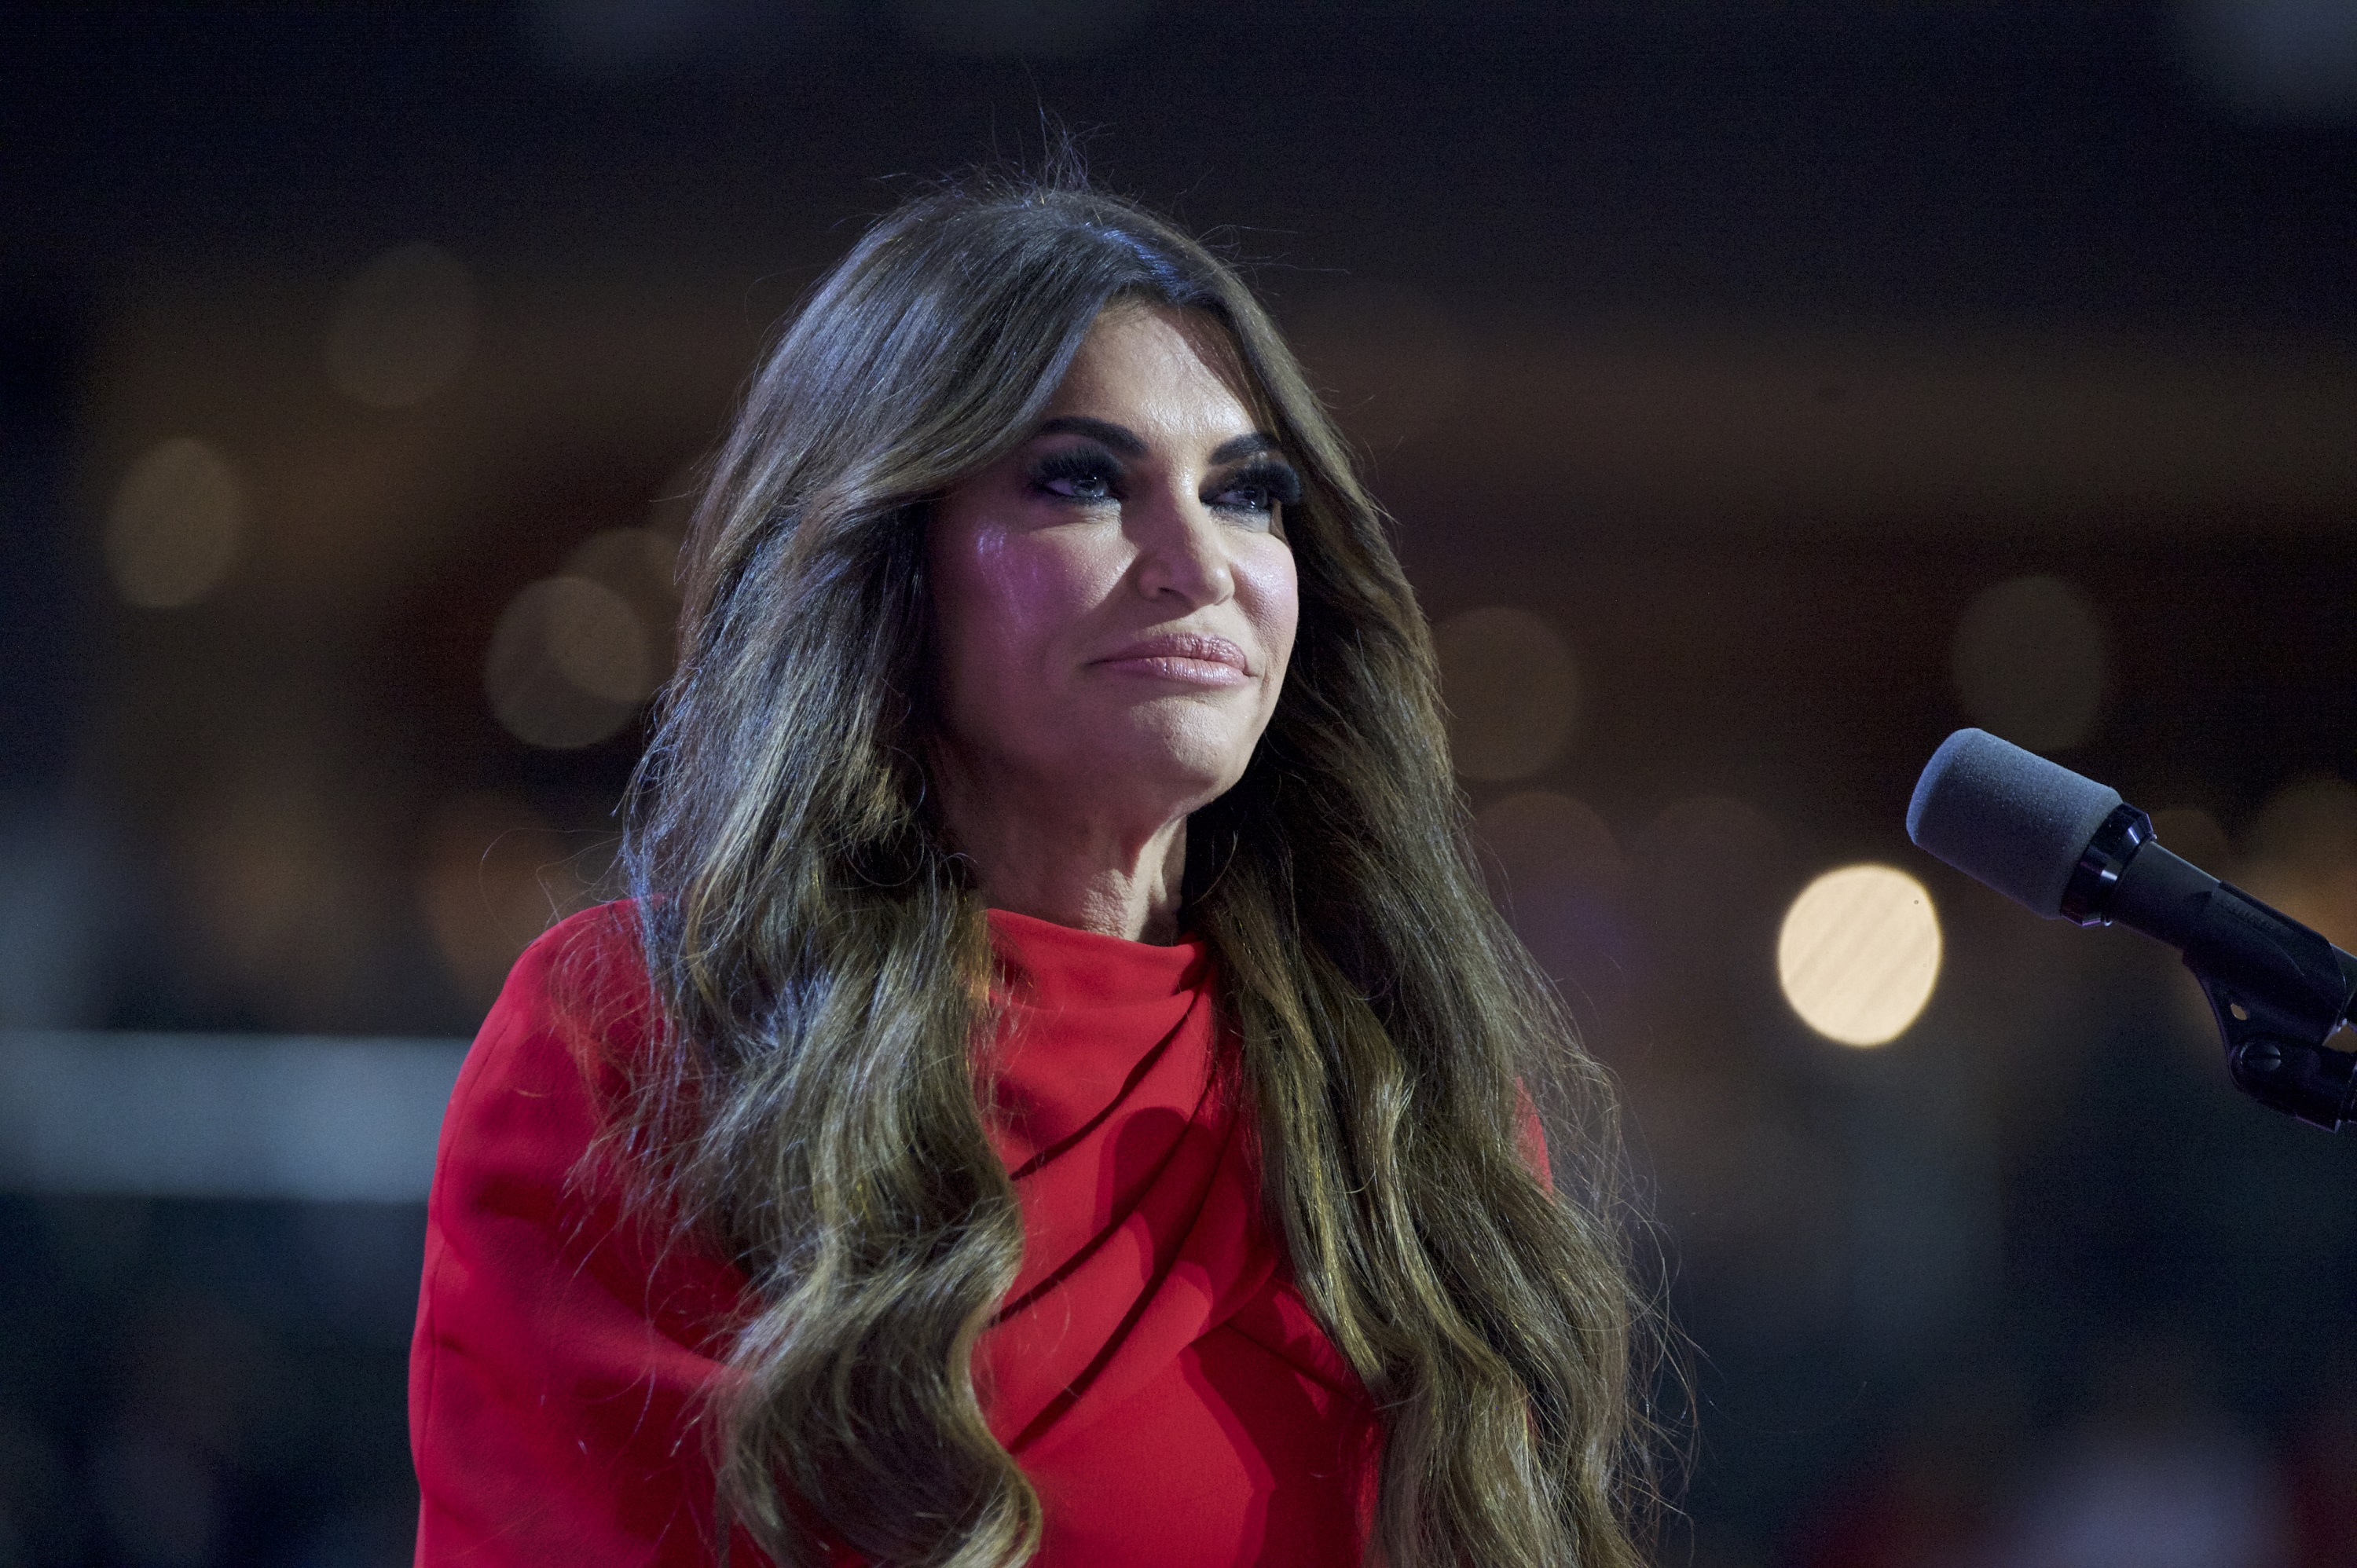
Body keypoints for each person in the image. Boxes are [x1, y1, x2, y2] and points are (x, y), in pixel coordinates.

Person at [409, 170, 1654, 1568]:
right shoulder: (645, 1036)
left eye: (1248, 494)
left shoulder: (1413, 1085)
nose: (1200, 562)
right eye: (1083, 480)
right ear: (892, 558)